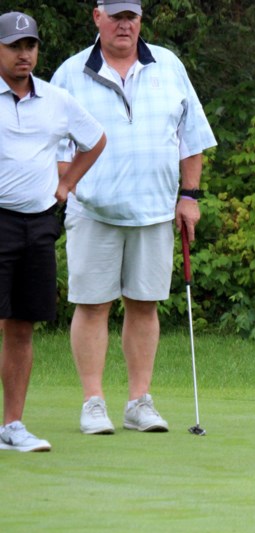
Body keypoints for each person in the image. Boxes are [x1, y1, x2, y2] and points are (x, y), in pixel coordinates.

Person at [51, 0, 216, 435]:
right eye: (117, 16)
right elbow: (55, 148)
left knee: (144, 306)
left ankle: (139, 402)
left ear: (141, 20)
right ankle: (93, 402)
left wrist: (190, 196)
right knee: (92, 305)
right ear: (97, 17)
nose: (125, 25)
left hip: (155, 210)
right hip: (93, 210)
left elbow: (191, 136)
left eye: (133, 17)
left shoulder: (168, 64)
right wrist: (63, 192)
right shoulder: (70, 73)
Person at [0, 11, 106, 453]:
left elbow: (95, 139)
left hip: (38, 225)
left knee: (22, 327)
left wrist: (66, 184)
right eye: (14, 46)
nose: (25, 54)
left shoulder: (56, 99)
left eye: (30, 46)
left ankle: (12, 426)